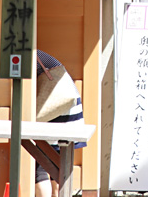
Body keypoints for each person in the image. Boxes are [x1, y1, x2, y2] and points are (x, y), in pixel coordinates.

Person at [36, 50, 84, 197]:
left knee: (39, 167)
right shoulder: (39, 54)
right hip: (70, 111)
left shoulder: (26, 56)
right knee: (56, 164)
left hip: (56, 111)